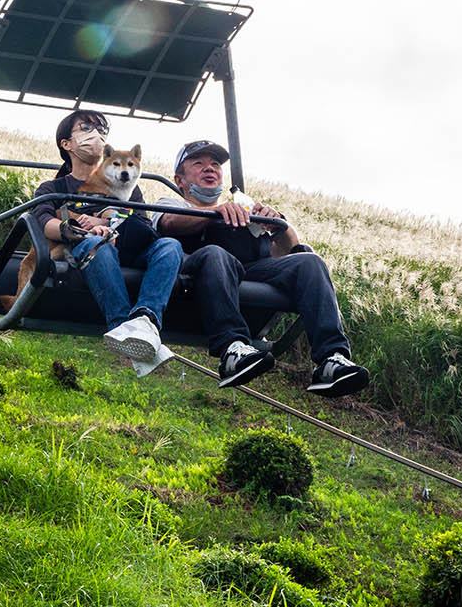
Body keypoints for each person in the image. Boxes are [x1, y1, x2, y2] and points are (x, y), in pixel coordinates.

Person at [152, 140, 370, 397]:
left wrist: (277, 224)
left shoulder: (241, 209)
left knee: (309, 262)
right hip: (195, 277)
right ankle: (232, 347)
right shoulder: (171, 203)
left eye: (214, 164)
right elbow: (169, 224)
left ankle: (331, 358)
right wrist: (215, 212)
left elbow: (287, 249)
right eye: (198, 163)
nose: (209, 169)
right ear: (180, 179)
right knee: (216, 254)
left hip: (247, 271)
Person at [32, 110, 185, 363]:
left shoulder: (126, 188)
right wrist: (75, 229)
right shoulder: (54, 188)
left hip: (127, 246)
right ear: (66, 143)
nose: (97, 135)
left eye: (102, 130)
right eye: (86, 128)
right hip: (89, 247)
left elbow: (142, 225)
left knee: (169, 246)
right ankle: (121, 324)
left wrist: (105, 221)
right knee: (97, 245)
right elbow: (43, 221)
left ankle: (146, 320)